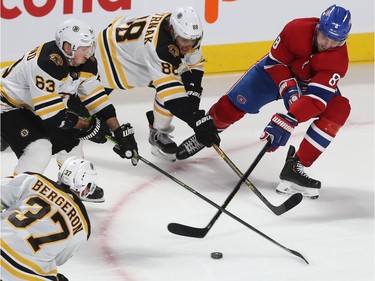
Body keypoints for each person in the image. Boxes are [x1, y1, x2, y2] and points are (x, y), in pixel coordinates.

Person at [176, 5, 352, 199]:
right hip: (272, 74)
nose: (328, 43)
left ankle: (295, 167)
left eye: (335, 40)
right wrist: (289, 89)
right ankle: (206, 132)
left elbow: (316, 99)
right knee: (229, 108)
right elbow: (275, 62)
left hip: (306, 86)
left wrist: (291, 118)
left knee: (338, 109)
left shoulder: (338, 61)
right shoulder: (296, 29)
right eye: (324, 36)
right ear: (318, 28)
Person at [0, 19, 138, 202]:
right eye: (84, 48)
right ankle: (11, 197)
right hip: (7, 107)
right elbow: (52, 117)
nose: (89, 54)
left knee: (72, 141)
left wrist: (117, 130)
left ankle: (72, 185)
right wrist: (88, 126)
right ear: (67, 47)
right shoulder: (47, 63)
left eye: (90, 47)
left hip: (33, 107)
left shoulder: (85, 62)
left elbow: (95, 97)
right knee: (40, 148)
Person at [96, 6, 220, 161]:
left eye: (193, 40)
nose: (189, 44)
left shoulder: (182, 31)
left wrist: (194, 111)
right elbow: (172, 96)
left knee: (177, 88)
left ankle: (158, 132)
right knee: (170, 89)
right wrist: (196, 120)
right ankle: (157, 133)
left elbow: (194, 67)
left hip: (122, 39)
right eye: (184, 40)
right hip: (112, 59)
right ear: (172, 32)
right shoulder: (162, 48)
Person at [1, 157, 97, 281]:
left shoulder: (33, 180)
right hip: (28, 273)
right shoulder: (83, 226)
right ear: (84, 186)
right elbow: (60, 259)